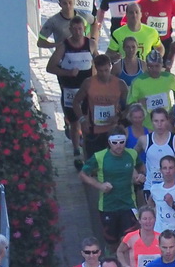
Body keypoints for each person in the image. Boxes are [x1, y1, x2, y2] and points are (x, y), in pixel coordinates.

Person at [80, 131, 143, 246]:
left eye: (121, 142)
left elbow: (140, 167)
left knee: (130, 240)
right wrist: (99, 185)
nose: (118, 145)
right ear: (109, 142)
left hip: (128, 204)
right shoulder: (99, 156)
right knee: (111, 242)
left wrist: (140, 176)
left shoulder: (132, 154)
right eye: (114, 142)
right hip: (108, 205)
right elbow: (83, 174)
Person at [47, 16, 95, 161]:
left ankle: (86, 149)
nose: (77, 32)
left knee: (87, 120)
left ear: (84, 29)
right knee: (74, 122)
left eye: (80, 29)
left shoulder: (91, 44)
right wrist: (68, 73)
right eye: (74, 29)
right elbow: (50, 67)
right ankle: (76, 150)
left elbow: (97, 63)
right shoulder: (64, 46)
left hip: (87, 90)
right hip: (70, 91)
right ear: (70, 30)